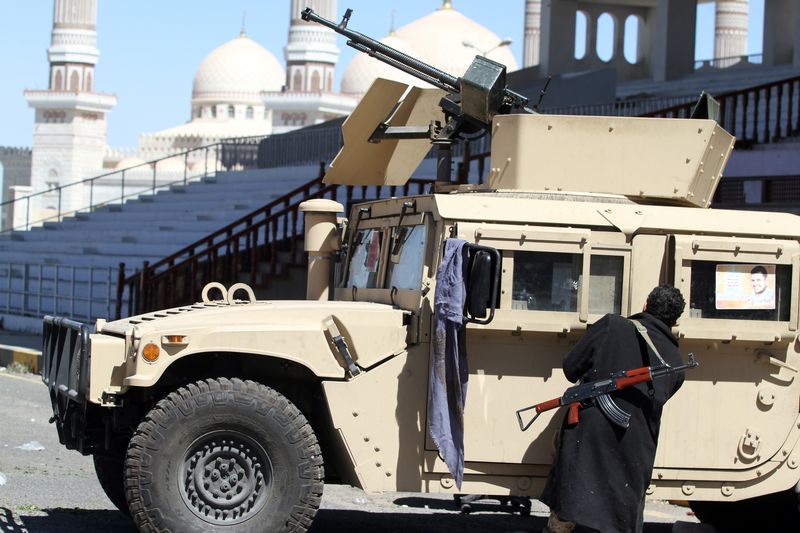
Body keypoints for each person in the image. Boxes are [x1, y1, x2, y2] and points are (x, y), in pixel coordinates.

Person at [541, 285, 687, 533]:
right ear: (674, 321)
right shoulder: (675, 362)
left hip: (587, 436)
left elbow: (570, 368)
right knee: (620, 513)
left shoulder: (611, 326)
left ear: (645, 306)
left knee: (566, 509)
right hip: (635, 445)